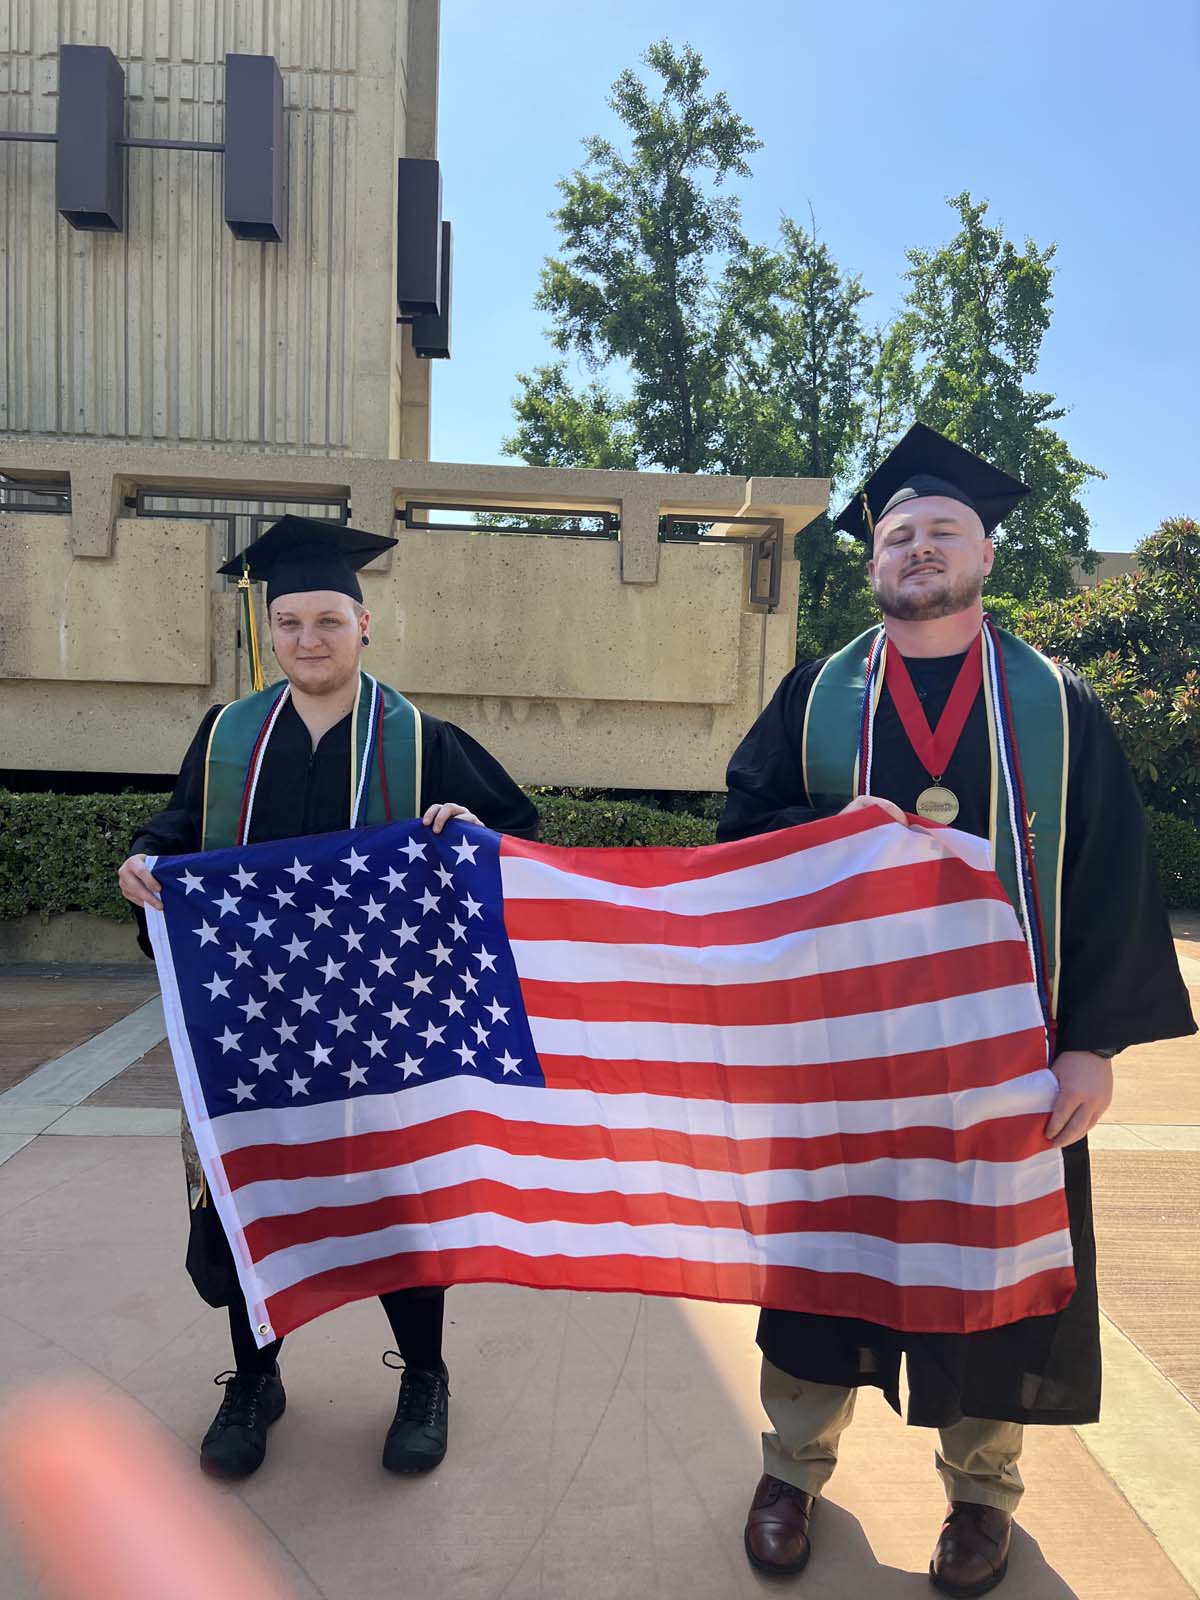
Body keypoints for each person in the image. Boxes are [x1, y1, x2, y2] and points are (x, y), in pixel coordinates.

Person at [718, 425, 1196, 1597]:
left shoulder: (1057, 704)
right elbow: (742, 836)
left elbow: (1112, 877)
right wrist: (839, 841)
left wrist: (1090, 1041)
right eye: (896, 534)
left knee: (991, 1284)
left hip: (1003, 1062)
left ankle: (982, 1495)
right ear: (870, 562)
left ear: (985, 550)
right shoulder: (819, 695)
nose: (917, 549)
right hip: (843, 1059)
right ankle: (792, 1468)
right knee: (821, 1271)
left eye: (941, 531)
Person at [118, 516, 538, 1483]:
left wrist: (469, 827)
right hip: (254, 1023)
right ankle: (253, 1376)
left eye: (328, 621)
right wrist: (146, 860)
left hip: (385, 1028)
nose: (309, 639)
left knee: (397, 1202)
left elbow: (516, 836)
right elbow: (177, 830)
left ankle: (424, 1377)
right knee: (249, 1195)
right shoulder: (227, 736)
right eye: (291, 622)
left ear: (366, 626)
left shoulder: (421, 738)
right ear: (273, 632)